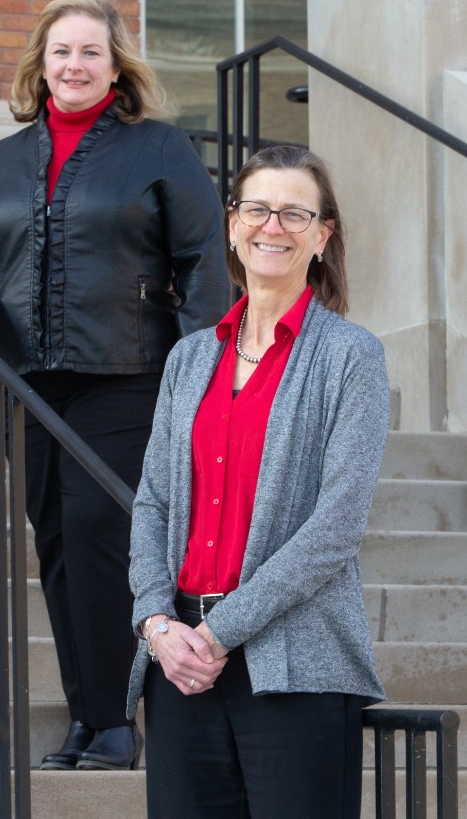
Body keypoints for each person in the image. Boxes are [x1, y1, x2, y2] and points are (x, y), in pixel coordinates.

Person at [0, 0, 230, 772]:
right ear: (41, 64)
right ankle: (91, 717)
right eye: (62, 51)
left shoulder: (158, 148)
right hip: (27, 387)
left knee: (104, 538)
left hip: (127, 380)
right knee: (58, 547)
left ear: (116, 65)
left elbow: (203, 264)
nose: (75, 65)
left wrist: (204, 371)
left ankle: (120, 720)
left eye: (91, 51)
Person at [126, 145, 390, 817]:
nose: (273, 226)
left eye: (294, 213)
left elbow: (336, 527)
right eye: (257, 209)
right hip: (180, 664)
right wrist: (157, 622)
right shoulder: (190, 357)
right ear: (233, 224)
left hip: (295, 663)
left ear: (323, 235)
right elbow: (152, 500)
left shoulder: (350, 356)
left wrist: (221, 632)